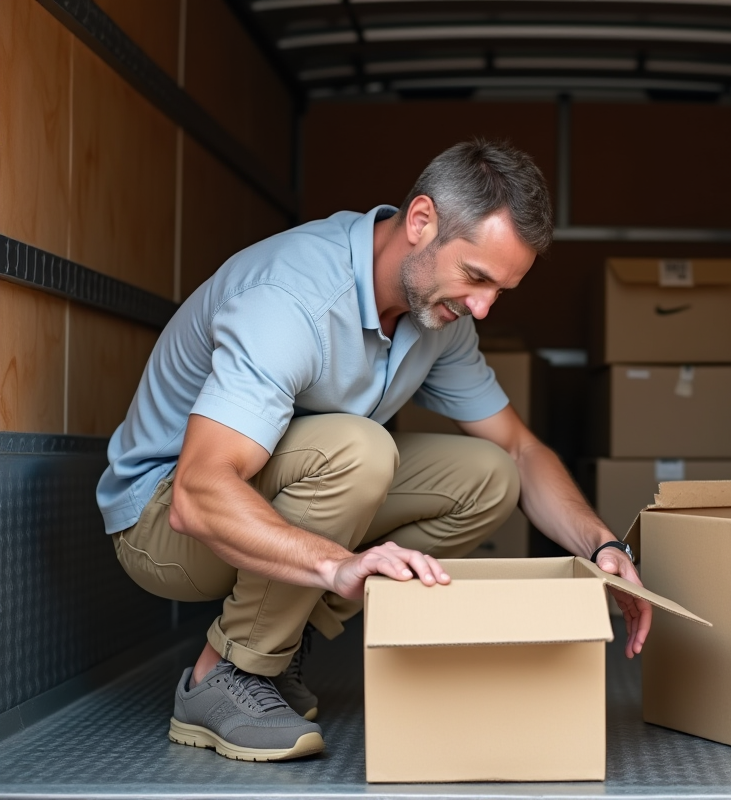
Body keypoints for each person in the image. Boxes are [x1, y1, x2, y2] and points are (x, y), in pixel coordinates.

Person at [97, 140, 650, 763]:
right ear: (420, 223)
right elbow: (197, 496)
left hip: (268, 497)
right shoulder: (293, 300)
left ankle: (280, 637)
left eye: (501, 290)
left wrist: (602, 546)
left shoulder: (439, 318)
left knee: (489, 476)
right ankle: (222, 678)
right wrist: (336, 566)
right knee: (360, 450)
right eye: (476, 277)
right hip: (163, 518)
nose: (483, 307)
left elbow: (520, 452)